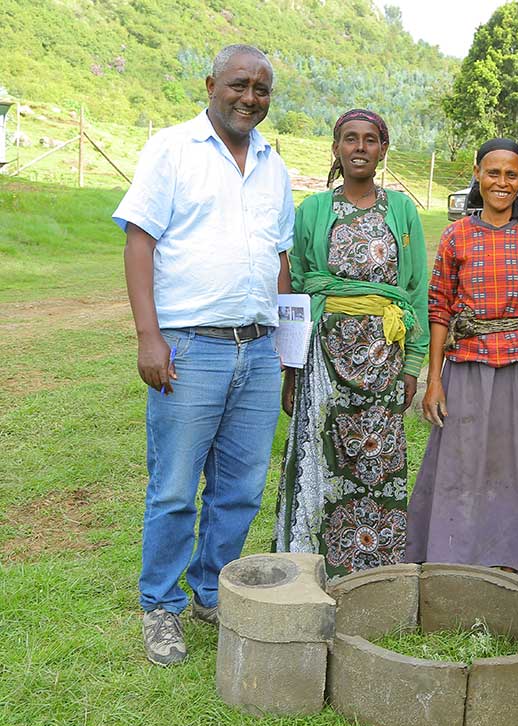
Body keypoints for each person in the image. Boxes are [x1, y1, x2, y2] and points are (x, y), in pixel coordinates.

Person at [114, 45, 294, 666]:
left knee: (241, 487)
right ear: (212, 83)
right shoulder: (173, 149)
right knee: (172, 488)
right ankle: (159, 606)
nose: (250, 97)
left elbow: (280, 261)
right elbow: (141, 241)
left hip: (259, 348)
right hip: (189, 348)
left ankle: (210, 591)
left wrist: (285, 350)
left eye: (262, 89)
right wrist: (149, 336)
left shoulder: (273, 165)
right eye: (240, 85)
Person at [404, 138, 518, 584]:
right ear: (478, 174)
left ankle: (516, 560)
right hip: (468, 365)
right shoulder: (457, 234)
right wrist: (435, 380)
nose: (502, 182)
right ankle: (457, 555)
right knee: (463, 462)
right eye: (493, 173)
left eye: (512, 174)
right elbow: (439, 308)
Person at [274, 109, 428, 579]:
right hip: (322, 356)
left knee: (376, 457)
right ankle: (312, 564)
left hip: (385, 354)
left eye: (370, 140)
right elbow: (296, 290)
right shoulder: (313, 211)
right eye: (350, 139)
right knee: (320, 453)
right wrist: (291, 366)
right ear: (336, 149)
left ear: (383, 150)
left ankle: (376, 568)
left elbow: (416, 286)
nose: (360, 147)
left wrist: (412, 364)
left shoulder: (401, 210)